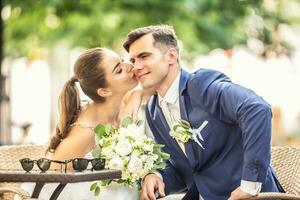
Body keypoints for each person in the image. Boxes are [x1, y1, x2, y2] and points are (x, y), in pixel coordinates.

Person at [123, 25, 285, 200]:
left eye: (144, 56)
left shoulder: (202, 86)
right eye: (133, 61)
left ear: (171, 56)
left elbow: (256, 108)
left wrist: (250, 185)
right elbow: (187, 170)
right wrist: (157, 176)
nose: (136, 66)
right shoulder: (153, 111)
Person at [18, 47, 150, 200]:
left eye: (121, 60)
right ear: (105, 91)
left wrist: (138, 93)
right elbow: (49, 179)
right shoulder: (86, 132)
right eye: (118, 70)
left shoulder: (120, 101)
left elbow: (154, 86)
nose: (129, 66)